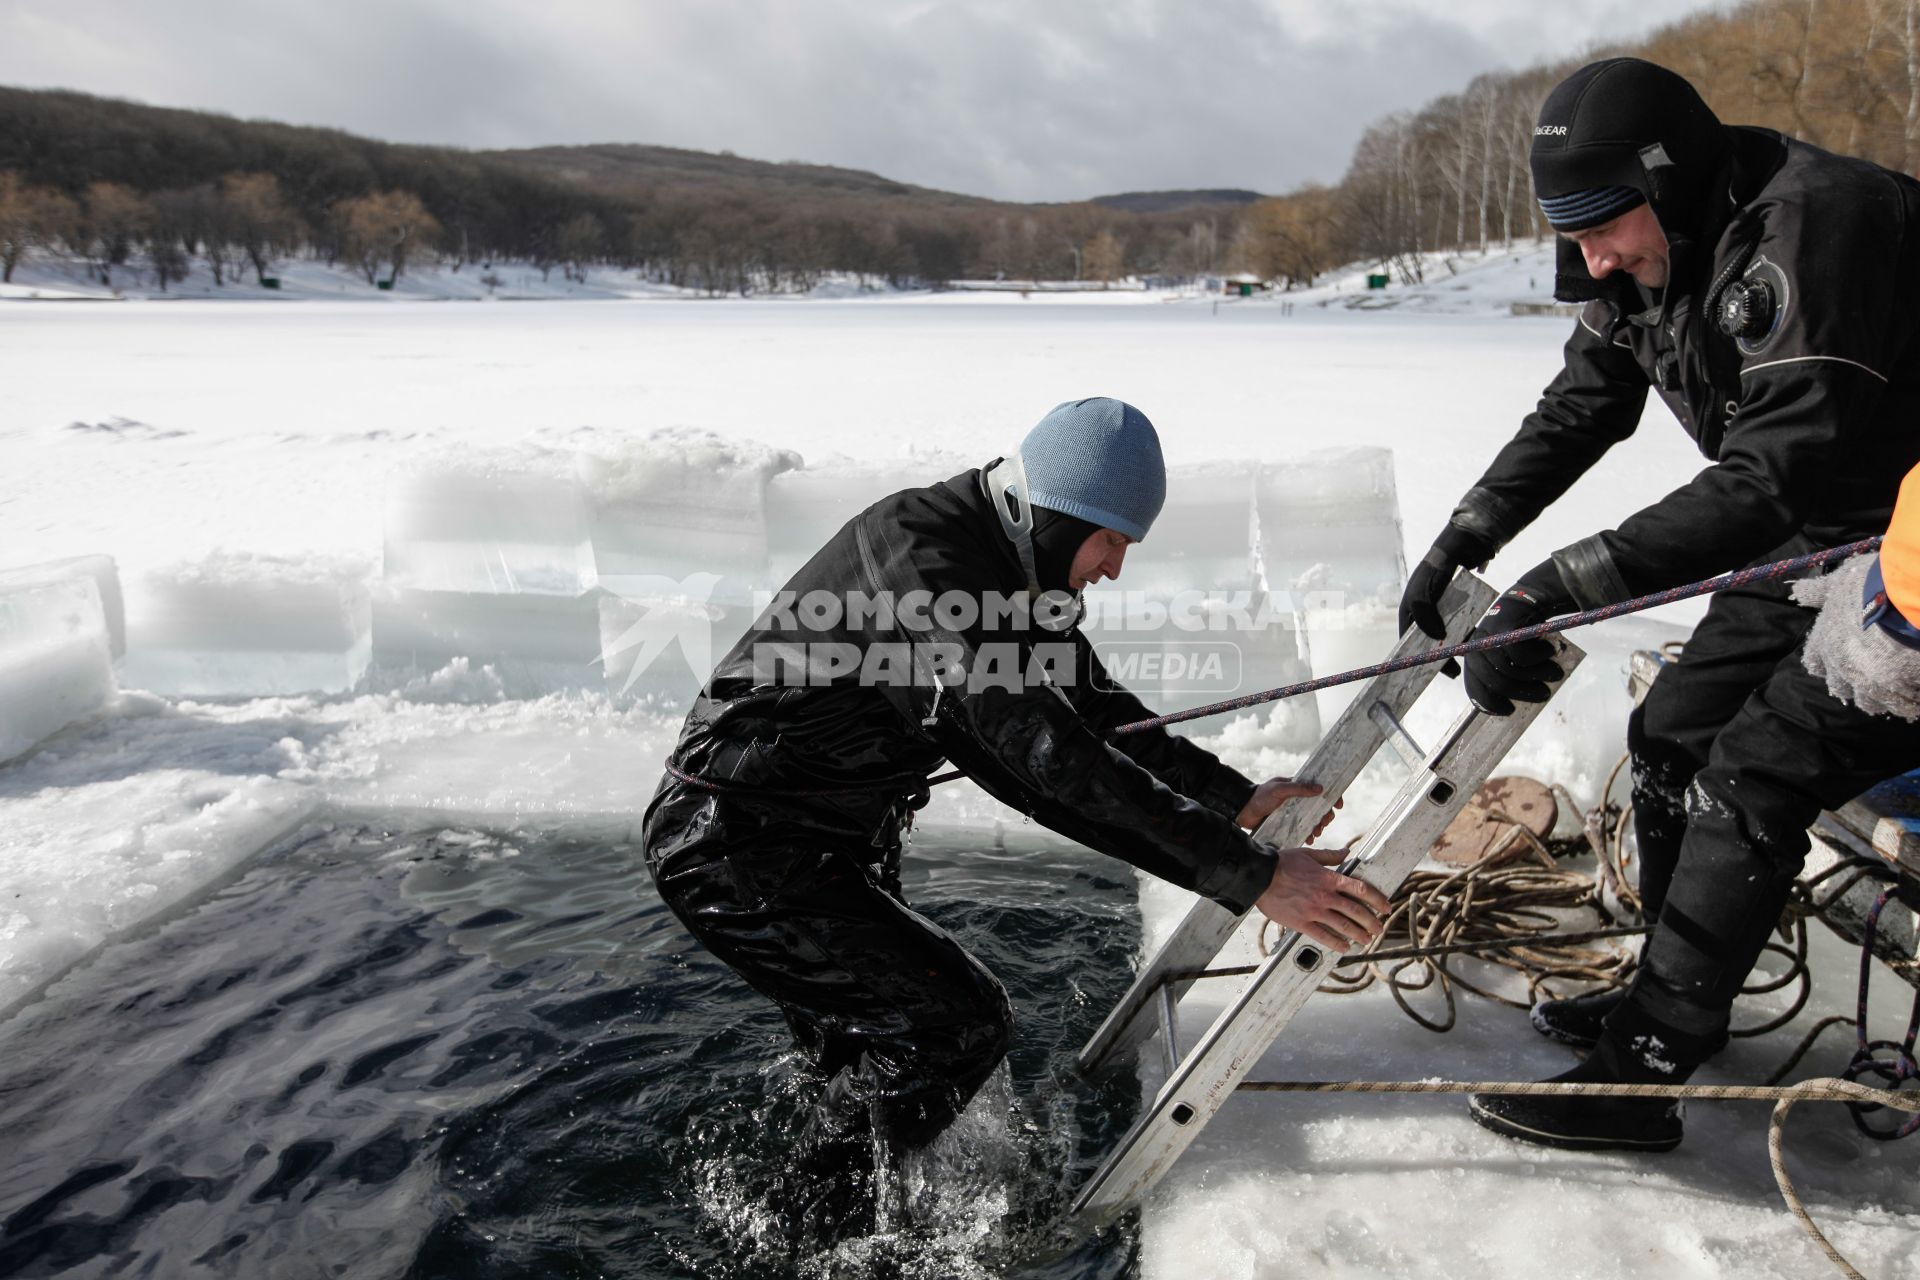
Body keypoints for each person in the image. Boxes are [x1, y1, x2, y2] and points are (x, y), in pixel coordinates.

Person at [645, 397, 1389, 1229]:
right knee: (958, 1025)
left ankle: (856, 1211)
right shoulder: (931, 572)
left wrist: (1231, 797)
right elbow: (1042, 761)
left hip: (824, 834)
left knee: (877, 1048)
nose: (1113, 570)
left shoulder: (1003, 557)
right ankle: (818, 1235)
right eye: (1110, 542)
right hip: (736, 840)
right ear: (1055, 514)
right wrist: (1249, 878)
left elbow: (1092, 710)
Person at [1396, 57, 1920, 1152]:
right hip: (1816, 541)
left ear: (1671, 183)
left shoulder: (1819, 228)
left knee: (1758, 767)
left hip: (1897, 560)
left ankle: (1643, 1074)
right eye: (1571, 235)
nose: (1590, 260)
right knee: (1669, 731)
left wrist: (1554, 593)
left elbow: (1773, 470)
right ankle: (1675, 999)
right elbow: (1584, 401)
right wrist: (1470, 533)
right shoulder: (1636, 244)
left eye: (1603, 229)